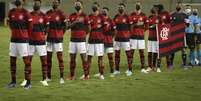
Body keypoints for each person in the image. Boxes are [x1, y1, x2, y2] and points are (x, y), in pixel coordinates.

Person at [7, 0, 32, 89]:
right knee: (12, 61)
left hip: (23, 40)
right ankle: (13, 82)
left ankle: (28, 82)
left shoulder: (26, 13)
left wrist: (25, 36)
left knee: (26, 61)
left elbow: (30, 27)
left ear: (23, 2)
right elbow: (9, 23)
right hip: (13, 40)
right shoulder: (11, 12)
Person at [23, 0, 48, 86]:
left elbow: (47, 27)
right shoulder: (29, 14)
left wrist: (42, 34)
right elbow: (25, 27)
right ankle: (26, 80)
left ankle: (44, 79)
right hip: (30, 42)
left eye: (37, 3)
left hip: (41, 42)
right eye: (34, 3)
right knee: (28, 61)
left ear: (40, 4)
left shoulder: (44, 16)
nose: (36, 4)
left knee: (44, 61)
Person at [67, 0, 89, 80]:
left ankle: (86, 76)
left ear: (82, 6)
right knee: (72, 58)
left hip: (81, 40)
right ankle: (72, 76)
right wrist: (75, 22)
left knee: (83, 58)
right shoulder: (71, 15)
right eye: (76, 4)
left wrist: (84, 35)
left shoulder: (85, 16)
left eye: (78, 4)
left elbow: (88, 28)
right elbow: (68, 27)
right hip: (72, 40)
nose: (77, 5)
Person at [46, 0, 67, 84]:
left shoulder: (61, 13)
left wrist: (61, 34)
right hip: (49, 39)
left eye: (56, 2)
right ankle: (48, 77)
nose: (54, 3)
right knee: (48, 59)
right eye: (53, 2)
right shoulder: (48, 13)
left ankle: (61, 77)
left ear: (59, 4)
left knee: (60, 59)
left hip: (58, 39)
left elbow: (65, 26)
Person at [113, 3, 132, 76]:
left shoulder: (127, 17)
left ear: (124, 8)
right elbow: (114, 27)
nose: (120, 8)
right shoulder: (116, 17)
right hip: (117, 39)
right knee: (117, 55)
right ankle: (117, 70)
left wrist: (129, 36)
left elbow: (131, 27)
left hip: (125, 39)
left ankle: (130, 70)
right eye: (119, 7)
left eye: (122, 7)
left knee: (128, 55)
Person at [87, 2, 105, 80]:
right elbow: (87, 28)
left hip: (99, 41)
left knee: (100, 58)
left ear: (98, 7)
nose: (94, 7)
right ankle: (86, 74)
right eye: (93, 5)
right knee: (89, 58)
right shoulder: (89, 16)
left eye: (96, 6)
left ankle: (101, 74)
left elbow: (105, 28)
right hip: (91, 40)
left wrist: (98, 30)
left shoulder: (101, 17)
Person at [130, 2, 148, 73]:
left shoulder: (144, 15)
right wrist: (136, 24)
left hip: (141, 37)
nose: (138, 6)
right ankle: (130, 68)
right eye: (136, 4)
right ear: (135, 6)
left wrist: (142, 28)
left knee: (142, 52)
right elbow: (130, 25)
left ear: (141, 6)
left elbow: (146, 26)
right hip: (133, 37)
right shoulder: (132, 15)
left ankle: (143, 68)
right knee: (131, 53)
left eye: (139, 5)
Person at [170, 2, 188, 69]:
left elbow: (187, 25)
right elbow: (168, 25)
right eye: (177, 4)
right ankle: (171, 65)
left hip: (181, 35)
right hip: (174, 35)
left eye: (179, 5)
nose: (178, 6)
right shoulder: (171, 15)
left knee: (183, 49)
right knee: (172, 50)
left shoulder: (185, 15)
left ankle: (184, 64)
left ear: (181, 6)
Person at [101, 7, 115, 77]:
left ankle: (112, 72)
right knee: (101, 58)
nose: (104, 12)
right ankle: (101, 72)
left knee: (110, 57)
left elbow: (114, 31)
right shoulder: (100, 20)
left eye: (105, 11)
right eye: (103, 11)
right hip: (101, 42)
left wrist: (111, 38)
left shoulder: (111, 20)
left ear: (108, 12)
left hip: (109, 41)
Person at [146, 7, 159, 72]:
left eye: (154, 10)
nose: (153, 11)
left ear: (157, 11)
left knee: (155, 53)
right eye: (152, 10)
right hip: (150, 38)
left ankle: (154, 66)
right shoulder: (150, 17)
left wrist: (155, 26)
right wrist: (154, 26)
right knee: (149, 53)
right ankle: (149, 66)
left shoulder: (159, 18)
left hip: (157, 38)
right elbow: (148, 26)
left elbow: (161, 26)